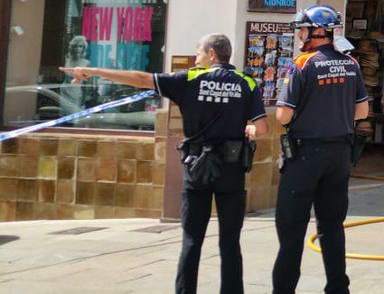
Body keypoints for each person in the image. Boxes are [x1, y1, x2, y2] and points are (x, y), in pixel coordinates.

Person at [63, 33, 265, 294]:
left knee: (191, 241)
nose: (196, 59)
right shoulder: (246, 82)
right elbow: (262, 127)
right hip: (231, 170)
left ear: (212, 54)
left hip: (197, 168)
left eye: (199, 53)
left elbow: (140, 78)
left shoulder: (190, 79)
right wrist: (250, 128)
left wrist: (92, 71)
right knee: (230, 243)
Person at [272, 5, 369, 294]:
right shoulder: (351, 64)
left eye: (302, 29)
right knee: (332, 226)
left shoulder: (302, 64)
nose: (299, 34)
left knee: (291, 228)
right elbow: (362, 112)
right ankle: (338, 288)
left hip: (305, 155)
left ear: (315, 31)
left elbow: (283, 116)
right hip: (340, 154)